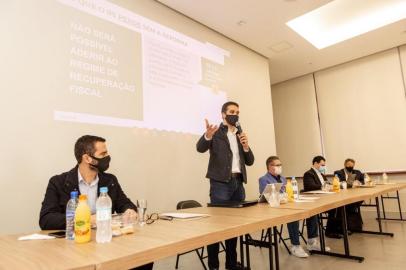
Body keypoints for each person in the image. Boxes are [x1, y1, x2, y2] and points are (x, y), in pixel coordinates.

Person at [39, 135, 153, 270]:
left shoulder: (110, 180)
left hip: (106, 243)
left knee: (143, 259)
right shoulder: (58, 182)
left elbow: (125, 203)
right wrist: (88, 219)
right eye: (103, 154)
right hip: (75, 246)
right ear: (87, 158)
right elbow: (46, 219)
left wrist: (130, 210)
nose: (108, 157)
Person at [196, 101, 254, 270]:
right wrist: (207, 135)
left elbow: (250, 161)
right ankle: (213, 265)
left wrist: (246, 146)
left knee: (233, 227)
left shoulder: (240, 134)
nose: (235, 114)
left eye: (237, 112)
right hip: (220, 183)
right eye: (231, 111)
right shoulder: (216, 132)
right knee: (216, 227)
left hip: (238, 183)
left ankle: (231, 263)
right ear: (223, 114)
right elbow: (200, 148)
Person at [259, 156, 328, 258]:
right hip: (273, 208)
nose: (280, 167)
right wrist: (282, 197)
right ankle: (295, 246)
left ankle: (312, 242)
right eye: (277, 165)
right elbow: (266, 196)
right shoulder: (263, 179)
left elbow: (288, 192)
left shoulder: (283, 178)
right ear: (270, 166)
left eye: (280, 165)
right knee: (293, 216)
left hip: (286, 204)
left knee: (311, 211)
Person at [303, 155, 340, 239]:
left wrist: (332, 185)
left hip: (324, 197)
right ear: (316, 163)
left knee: (337, 205)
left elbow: (327, 184)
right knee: (333, 208)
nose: (324, 167)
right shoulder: (308, 174)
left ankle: (333, 230)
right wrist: (323, 186)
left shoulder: (322, 174)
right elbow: (310, 186)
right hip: (315, 199)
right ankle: (330, 231)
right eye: (322, 165)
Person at [333, 158, 364, 232]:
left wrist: (359, 182)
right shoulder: (338, 172)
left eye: (352, 166)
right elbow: (337, 182)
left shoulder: (357, 172)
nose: (350, 167)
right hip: (343, 194)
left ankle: (352, 223)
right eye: (348, 165)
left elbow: (363, 180)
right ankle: (347, 224)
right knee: (348, 205)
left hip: (354, 194)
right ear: (345, 165)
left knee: (357, 201)